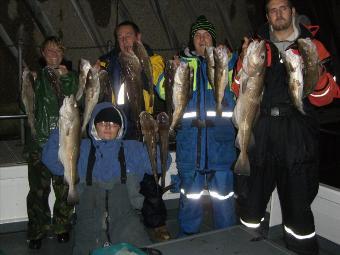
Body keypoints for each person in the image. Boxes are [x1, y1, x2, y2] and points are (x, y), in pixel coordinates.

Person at [232, 0, 340, 254]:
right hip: (262, 128)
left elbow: (326, 97)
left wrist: (314, 68)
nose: (278, 13)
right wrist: (243, 61)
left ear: (292, 12)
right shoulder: (258, 46)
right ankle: (247, 248)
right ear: (267, 16)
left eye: (283, 8)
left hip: (298, 133)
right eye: (272, 9)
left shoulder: (313, 45)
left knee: (298, 208)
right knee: (251, 203)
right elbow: (238, 89)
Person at [42, 102, 170, 254]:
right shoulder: (80, 148)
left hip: (127, 223)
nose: (108, 127)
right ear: (94, 126)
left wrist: (157, 137)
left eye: (113, 124)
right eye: (102, 123)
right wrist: (62, 129)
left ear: (120, 127)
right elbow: (51, 162)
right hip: (89, 227)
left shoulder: (133, 149)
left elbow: (162, 164)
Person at [157, 15, 238, 236]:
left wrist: (229, 60)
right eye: (197, 36)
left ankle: (227, 235)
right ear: (192, 41)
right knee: (189, 196)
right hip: (189, 144)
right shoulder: (182, 63)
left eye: (206, 35)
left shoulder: (228, 62)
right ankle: (187, 237)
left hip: (220, 143)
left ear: (213, 39)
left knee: (223, 196)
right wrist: (171, 72)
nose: (202, 39)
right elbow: (162, 90)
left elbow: (243, 80)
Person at [98, 21, 170, 241]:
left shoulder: (153, 58)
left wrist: (142, 60)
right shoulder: (107, 61)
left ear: (138, 36)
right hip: (115, 130)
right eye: (120, 37)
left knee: (149, 179)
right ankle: (117, 222)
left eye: (128, 36)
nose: (124, 40)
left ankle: (156, 224)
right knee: (116, 178)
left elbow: (158, 79)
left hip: (142, 127)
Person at [25, 36, 78, 249]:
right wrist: (29, 82)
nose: (53, 54)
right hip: (39, 142)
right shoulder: (34, 79)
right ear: (42, 54)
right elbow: (25, 106)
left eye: (57, 51)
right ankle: (37, 230)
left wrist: (65, 78)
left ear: (62, 54)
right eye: (49, 51)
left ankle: (61, 226)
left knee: (64, 188)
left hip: (62, 141)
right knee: (38, 191)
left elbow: (74, 96)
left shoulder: (71, 76)